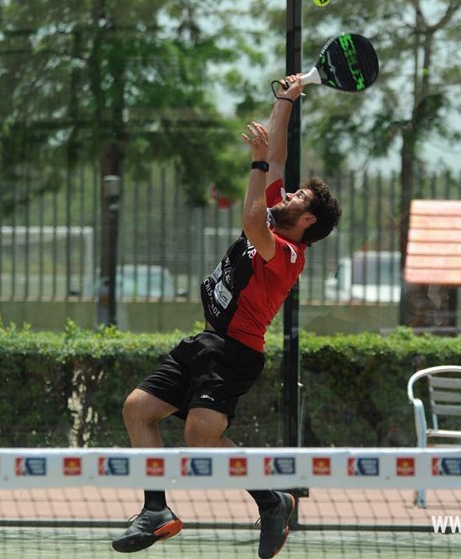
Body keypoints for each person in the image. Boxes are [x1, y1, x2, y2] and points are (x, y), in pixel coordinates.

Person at [111, 74, 342, 559]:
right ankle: (156, 510)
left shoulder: (285, 251)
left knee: (199, 437)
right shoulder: (282, 215)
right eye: (292, 191)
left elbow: (252, 217)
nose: (289, 194)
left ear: (308, 223)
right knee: (138, 409)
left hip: (235, 351)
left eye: (298, 198)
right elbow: (276, 155)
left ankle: (271, 498)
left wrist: (255, 164)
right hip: (207, 340)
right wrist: (285, 100)